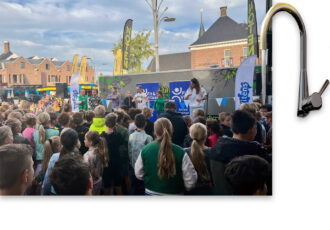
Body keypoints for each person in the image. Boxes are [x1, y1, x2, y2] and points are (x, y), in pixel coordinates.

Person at [135, 118, 197, 195]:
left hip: (151, 193)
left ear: (155, 132)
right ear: (172, 131)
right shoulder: (180, 152)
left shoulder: (145, 150)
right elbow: (190, 181)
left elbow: (139, 174)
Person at [42, 129, 79, 195]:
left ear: (61, 142)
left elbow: (47, 180)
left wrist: (44, 194)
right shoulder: (79, 158)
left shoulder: (54, 157)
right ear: (76, 143)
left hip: (55, 192)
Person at [184, 123, 213, 195]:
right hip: (208, 191)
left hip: (188, 192)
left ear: (191, 135)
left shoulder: (184, 152)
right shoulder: (212, 152)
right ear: (205, 136)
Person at [128, 114, 153, 195]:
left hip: (132, 167)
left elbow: (129, 152)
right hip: (144, 168)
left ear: (135, 123)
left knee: (134, 188)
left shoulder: (130, 136)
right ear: (145, 123)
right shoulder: (148, 138)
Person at [101, 113, 124, 195]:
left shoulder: (101, 136)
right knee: (118, 185)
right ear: (115, 124)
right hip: (117, 162)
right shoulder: (118, 135)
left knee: (106, 186)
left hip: (106, 163)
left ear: (105, 123)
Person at [84, 131, 108, 195]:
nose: (84, 141)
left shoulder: (87, 155)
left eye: (85, 139)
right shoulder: (100, 150)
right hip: (99, 180)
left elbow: (87, 172)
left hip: (91, 184)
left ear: (91, 142)